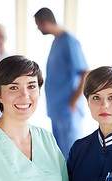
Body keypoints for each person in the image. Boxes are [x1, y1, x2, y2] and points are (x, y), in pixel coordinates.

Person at [34, 8, 88, 159]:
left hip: (67, 110)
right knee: (60, 154)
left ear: (45, 23)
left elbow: (85, 73)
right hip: (56, 108)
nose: (38, 29)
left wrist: (73, 102)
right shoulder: (56, 41)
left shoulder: (69, 41)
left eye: (38, 25)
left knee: (72, 154)